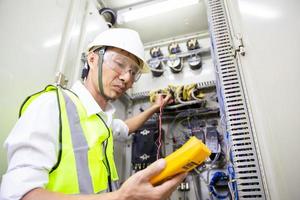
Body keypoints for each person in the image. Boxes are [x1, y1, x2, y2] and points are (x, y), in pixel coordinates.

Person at [0, 28, 186, 200]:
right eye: (119, 64)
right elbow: (18, 195)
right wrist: (120, 197)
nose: (126, 78)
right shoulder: (51, 105)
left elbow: (125, 128)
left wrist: (155, 107)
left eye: (133, 72)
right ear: (92, 59)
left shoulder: (102, 119)